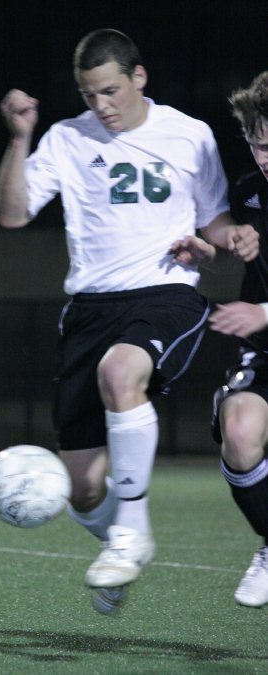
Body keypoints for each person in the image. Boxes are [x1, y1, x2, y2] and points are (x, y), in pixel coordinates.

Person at [0, 28, 259, 615]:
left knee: (121, 374)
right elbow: (12, 216)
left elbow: (212, 222)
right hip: (89, 309)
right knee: (83, 490)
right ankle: (120, 540)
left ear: (139, 77)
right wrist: (20, 138)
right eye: (90, 96)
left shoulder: (189, 135)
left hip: (165, 296)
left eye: (111, 91)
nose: (102, 106)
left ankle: (131, 534)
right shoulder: (66, 138)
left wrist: (223, 240)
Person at [209, 71, 268, 608]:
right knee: (240, 431)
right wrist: (213, 247)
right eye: (254, 143)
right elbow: (234, 242)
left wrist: (263, 311)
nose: (263, 156)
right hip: (266, 345)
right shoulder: (251, 191)